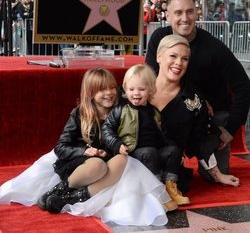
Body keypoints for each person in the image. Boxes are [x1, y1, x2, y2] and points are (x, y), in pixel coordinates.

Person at [0, 68, 170, 226]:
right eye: (102, 89)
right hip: (80, 162)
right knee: (97, 165)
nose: (109, 93)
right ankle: (58, 191)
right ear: (90, 93)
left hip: (108, 162)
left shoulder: (122, 110)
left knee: (122, 160)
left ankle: (75, 197)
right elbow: (61, 146)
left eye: (112, 87)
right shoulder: (80, 113)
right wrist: (84, 151)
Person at [145, 0, 250, 181]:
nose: (185, 18)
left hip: (211, 117)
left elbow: (244, 86)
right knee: (159, 174)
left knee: (213, 178)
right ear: (167, 15)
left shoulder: (215, 49)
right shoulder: (159, 38)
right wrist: (196, 96)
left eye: (190, 11)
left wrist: (230, 128)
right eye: (178, 12)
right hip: (174, 110)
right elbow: (152, 79)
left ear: (197, 13)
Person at [150, 34, 240, 188]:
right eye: (173, 56)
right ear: (159, 56)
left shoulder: (194, 100)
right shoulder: (138, 88)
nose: (179, 63)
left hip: (169, 167)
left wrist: (217, 175)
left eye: (184, 59)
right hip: (136, 160)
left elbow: (200, 140)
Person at [102, 64, 189, 209]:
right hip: (133, 152)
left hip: (154, 152)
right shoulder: (121, 110)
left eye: (141, 89)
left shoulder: (154, 112)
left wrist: (174, 150)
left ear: (150, 90)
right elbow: (107, 129)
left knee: (173, 150)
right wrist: (116, 144)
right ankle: (155, 192)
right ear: (125, 89)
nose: (136, 93)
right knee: (149, 152)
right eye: (131, 89)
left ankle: (170, 187)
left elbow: (164, 134)